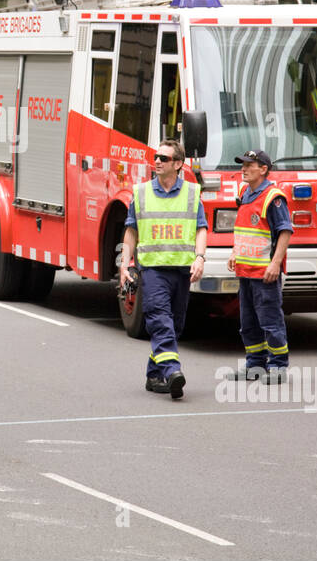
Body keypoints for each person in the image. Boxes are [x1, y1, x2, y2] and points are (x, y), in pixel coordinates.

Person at [118, 139, 209, 399]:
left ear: (178, 164)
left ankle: (154, 374)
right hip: (153, 270)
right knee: (160, 320)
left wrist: (200, 258)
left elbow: (201, 228)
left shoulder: (192, 193)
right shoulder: (141, 192)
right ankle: (172, 370)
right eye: (156, 157)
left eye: (164, 158)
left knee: (175, 325)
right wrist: (125, 265)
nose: (157, 161)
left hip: (181, 271)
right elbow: (131, 231)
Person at [226, 149, 294, 383]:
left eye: (249, 165)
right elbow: (246, 228)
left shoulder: (273, 197)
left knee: (270, 321)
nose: (243, 169)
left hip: (265, 274)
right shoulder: (245, 192)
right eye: (242, 164)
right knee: (248, 323)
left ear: (263, 169)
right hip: (246, 272)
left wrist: (275, 264)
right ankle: (255, 365)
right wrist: (235, 252)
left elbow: (285, 231)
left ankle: (278, 366)